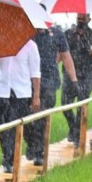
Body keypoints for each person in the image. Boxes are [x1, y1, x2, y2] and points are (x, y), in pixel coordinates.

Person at [24, 18, 78, 165]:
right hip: (26, 80)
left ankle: (39, 151)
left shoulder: (57, 34)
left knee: (42, 115)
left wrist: (73, 80)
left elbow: (66, 56)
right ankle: (32, 144)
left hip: (49, 80)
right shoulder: (25, 33)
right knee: (25, 115)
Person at [0, 39, 41, 173]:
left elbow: (35, 73)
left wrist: (36, 96)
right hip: (2, 91)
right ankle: (7, 153)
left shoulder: (31, 46)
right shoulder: (1, 43)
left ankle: (9, 160)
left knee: (14, 126)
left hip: (21, 93)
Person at [62, 13, 92, 146]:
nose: (80, 21)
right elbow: (61, 52)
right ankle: (74, 128)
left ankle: (77, 135)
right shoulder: (68, 34)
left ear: (89, 19)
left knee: (81, 105)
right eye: (78, 18)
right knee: (65, 104)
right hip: (69, 74)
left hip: (87, 75)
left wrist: (90, 47)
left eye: (83, 19)